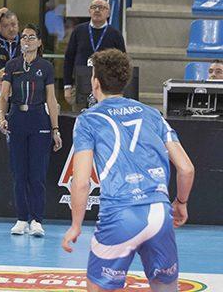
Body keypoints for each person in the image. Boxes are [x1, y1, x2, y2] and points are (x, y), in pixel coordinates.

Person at [61, 49, 195, 292]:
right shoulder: (152, 114)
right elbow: (186, 168)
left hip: (120, 214)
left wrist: (76, 225)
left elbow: (80, 182)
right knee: (165, 287)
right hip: (159, 212)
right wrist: (181, 202)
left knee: (98, 286)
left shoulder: (88, 120)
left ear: (95, 82)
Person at [0, 24, 62, 237]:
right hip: (17, 118)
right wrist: (2, 117)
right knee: (19, 173)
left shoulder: (46, 67)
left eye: (32, 37)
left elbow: (51, 99)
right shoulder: (12, 65)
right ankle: (21, 219)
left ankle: (36, 219)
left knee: (37, 173)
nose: (27, 40)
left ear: (39, 42)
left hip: (39, 120)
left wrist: (55, 128)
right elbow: (4, 95)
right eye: (24, 37)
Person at [63, 0, 126, 111]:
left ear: (108, 13)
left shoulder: (115, 34)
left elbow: (122, 63)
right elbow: (69, 59)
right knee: (79, 119)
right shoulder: (78, 31)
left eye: (101, 8)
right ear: (89, 11)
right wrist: (67, 86)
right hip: (80, 86)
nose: (97, 10)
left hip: (107, 88)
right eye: (94, 7)